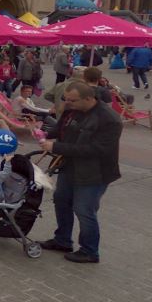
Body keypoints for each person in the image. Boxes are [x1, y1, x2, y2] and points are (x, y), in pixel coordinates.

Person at [40, 81, 122, 263]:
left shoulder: (110, 119)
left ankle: (90, 251)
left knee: (84, 209)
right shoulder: (72, 109)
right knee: (61, 200)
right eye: (66, 99)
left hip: (95, 172)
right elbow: (61, 129)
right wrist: (44, 134)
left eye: (73, 100)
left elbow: (96, 150)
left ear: (88, 98)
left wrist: (56, 146)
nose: (68, 103)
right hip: (69, 165)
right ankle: (62, 240)